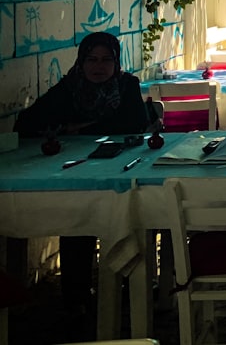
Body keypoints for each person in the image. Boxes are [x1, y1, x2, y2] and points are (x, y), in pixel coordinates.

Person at [15, 32, 148, 318]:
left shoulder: (127, 86)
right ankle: (76, 298)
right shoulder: (69, 88)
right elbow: (25, 123)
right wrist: (86, 126)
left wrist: (78, 127)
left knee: (129, 211)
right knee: (78, 216)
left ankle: (126, 289)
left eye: (106, 60)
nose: (98, 67)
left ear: (116, 62)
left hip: (121, 168)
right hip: (75, 170)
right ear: (81, 61)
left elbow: (135, 123)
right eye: (92, 60)